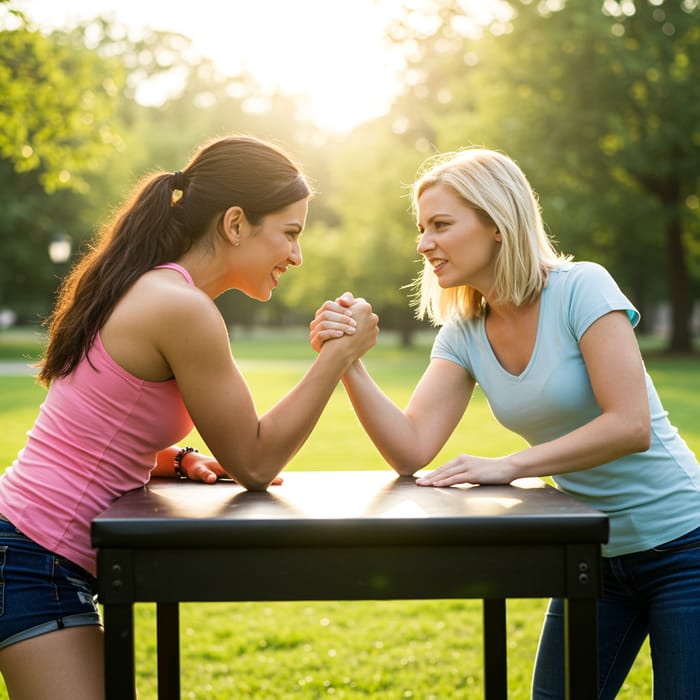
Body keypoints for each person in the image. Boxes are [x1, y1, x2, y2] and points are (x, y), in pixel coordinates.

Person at [310, 147, 700, 699]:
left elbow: (630, 424)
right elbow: (411, 447)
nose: (424, 244)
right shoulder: (465, 331)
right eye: (422, 228)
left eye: (441, 225)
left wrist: (510, 466)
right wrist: (345, 359)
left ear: (496, 224)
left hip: (685, 548)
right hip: (594, 560)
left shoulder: (581, 288)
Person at [0, 134, 378, 699]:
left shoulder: (150, 285)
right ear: (234, 224)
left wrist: (175, 459)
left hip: (31, 549)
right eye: (290, 234)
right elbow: (254, 461)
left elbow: (99, 422)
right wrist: (338, 357)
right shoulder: (181, 308)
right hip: (33, 561)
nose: (297, 257)